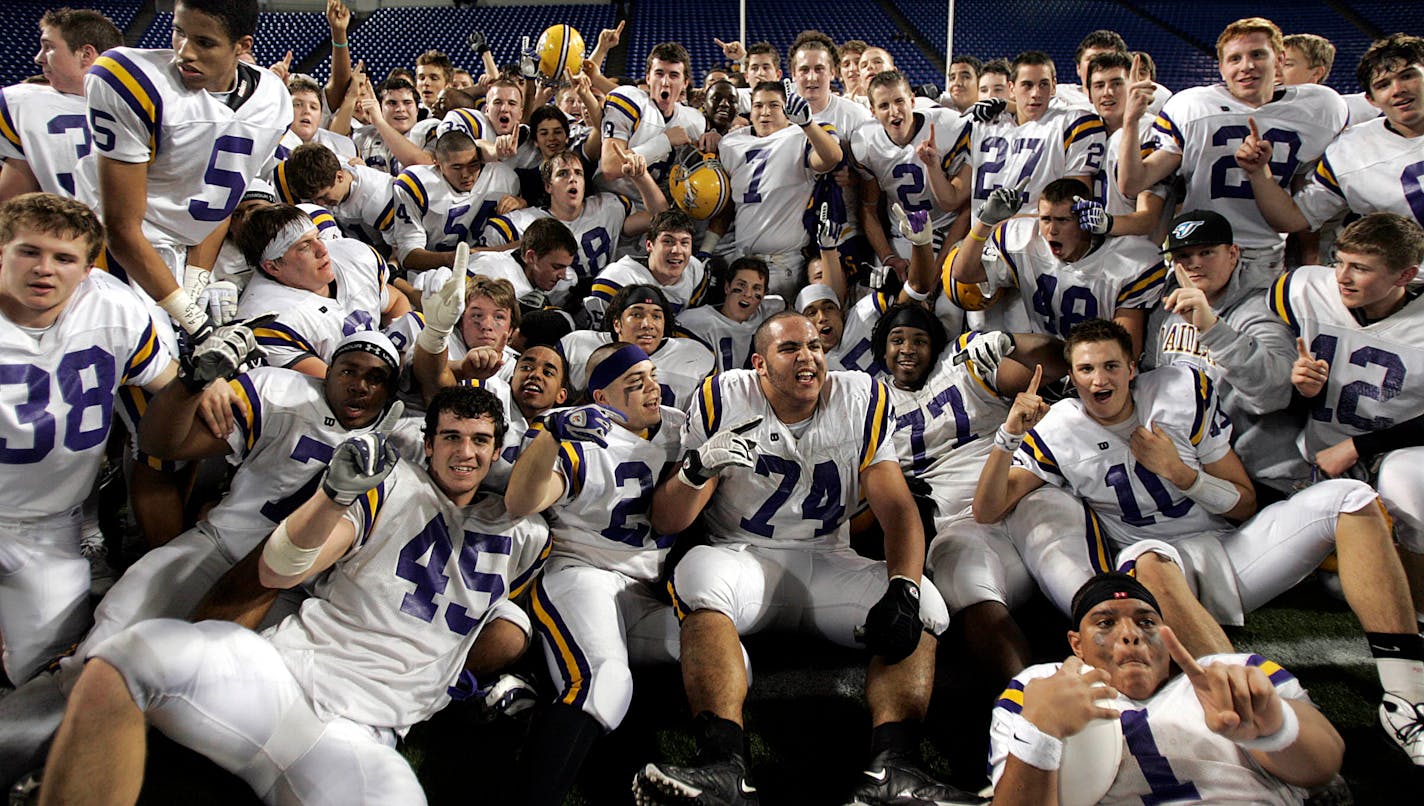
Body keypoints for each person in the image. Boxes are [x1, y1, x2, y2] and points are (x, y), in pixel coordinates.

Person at [38, 385, 552, 803]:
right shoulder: (391, 485)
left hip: (367, 732)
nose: (465, 452)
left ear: (498, 448)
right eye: (452, 437)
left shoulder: (526, 535)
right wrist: (333, 497)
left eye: (480, 440)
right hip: (284, 676)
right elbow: (281, 568)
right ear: (429, 440)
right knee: (126, 659)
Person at [975, 318, 1424, 763]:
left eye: (1111, 366)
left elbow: (1245, 503)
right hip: (1152, 568)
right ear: (1071, 378)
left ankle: (1405, 699)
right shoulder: (1057, 429)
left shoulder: (1178, 393)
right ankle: (1248, 719)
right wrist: (1008, 436)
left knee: (1351, 498)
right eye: (1087, 370)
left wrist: (1181, 474)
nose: (1099, 379)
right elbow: (988, 509)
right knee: (1146, 559)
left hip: (1227, 546)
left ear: (1132, 369)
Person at [632, 311, 980, 806]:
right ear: (760, 365)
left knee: (926, 605)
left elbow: (898, 508)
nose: (809, 358)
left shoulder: (859, 398)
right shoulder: (723, 397)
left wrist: (903, 585)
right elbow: (668, 520)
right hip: (744, 557)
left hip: (827, 558)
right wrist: (696, 467)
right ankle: (723, 763)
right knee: (697, 573)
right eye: (790, 348)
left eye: (815, 346)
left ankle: (894, 768)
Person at [0, 193, 174, 684]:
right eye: (29, 252)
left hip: (48, 526)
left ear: (88, 269)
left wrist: (215, 390)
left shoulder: (114, 306)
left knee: (48, 672)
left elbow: (168, 383)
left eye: (64, 258)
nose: (44, 269)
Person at [506, 343, 685, 806]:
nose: (652, 388)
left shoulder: (681, 428)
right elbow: (522, 503)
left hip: (644, 590)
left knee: (726, 663)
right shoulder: (584, 436)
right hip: (582, 574)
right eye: (635, 382)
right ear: (601, 398)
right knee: (604, 680)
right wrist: (549, 435)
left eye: (652, 375)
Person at [988, 573, 1344, 803]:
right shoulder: (1041, 687)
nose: (1130, 633)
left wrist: (1274, 728)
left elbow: (1324, 767)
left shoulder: (1230, 674)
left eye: (1146, 621)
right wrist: (1039, 734)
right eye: (1106, 622)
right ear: (1076, 644)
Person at [79, 0, 291, 348]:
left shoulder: (272, 100)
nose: (184, 53)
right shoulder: (133, 81)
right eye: (178, 32)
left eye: (204, 43)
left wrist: (194, 282)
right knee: (154, 375)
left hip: (185, 253)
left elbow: (219, 200)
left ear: (243, 46)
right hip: (119, 253)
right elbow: (120, 229)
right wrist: (192, 319)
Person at [1270, 213, 1424, 621]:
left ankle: (1419, 608)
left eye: (1361, 268)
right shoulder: (1305, 288)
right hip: (1320, 453)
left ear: (1405, 274)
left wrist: (1359, 446)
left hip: (1401, 452)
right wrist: (1298, 386)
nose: (1342, 276)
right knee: (1339, 587)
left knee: (1405, 479)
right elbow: (1268, 349)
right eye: (1340, 261)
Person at [1118, 17, 1348, 289]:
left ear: (1279, 60)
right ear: (1222, 68)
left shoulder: (1320, 108)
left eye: (1258, 54)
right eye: (1235, 58)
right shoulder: (1192, 106)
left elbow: (1304, 195)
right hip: (1198, 247)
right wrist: (1130, 121)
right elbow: (1133, 182)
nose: (1247, 66)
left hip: (1263, 254)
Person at [1144, 210, 1300, 491]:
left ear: (1233, 253)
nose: (1195, 265)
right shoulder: (1166, 306)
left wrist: (1214, 329)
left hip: (1260, 475)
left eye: (1206, 252)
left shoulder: (1264, 307)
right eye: (1184, 257)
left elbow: (1274, 393)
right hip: (1193, 465)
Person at [950, 177, 1166, 358]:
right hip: (1048, 357)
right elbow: (963, 273)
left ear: (1084, 222)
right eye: (1045, 219)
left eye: (1062, 220)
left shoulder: (1129, 260)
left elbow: (1127, 352)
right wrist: (985, 222)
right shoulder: (1024, 239)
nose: (1051, 230)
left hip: (1100, 364)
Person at [1240, 34, 1424, 244]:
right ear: (1371, 99)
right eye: (1383, 85)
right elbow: (1293, 218)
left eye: (1408, 76)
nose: (1398, 90)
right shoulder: (1350, 150)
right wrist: (1258, 172)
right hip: (1406, 274)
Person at [233, 203, 408, 376]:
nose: (322, 249)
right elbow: (334, 386)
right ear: (273, 267)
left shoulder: (354, 258)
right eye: (304, 246)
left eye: (317, 237)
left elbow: (396, 302)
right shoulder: (270, 318)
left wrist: (399, 348)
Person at [719, 80, 842, 297]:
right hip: (741, 259)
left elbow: (831, 158)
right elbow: (726, 203)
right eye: (758, 106)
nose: (765, 112)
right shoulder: (731, 142)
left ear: (788, 110)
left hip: (783, 263)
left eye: (774, 105)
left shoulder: (803, 134)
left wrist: (807, 124)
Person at [482, 149, 666, 283]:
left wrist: (641, 177)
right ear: (548, 186)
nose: (573, 178)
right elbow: (484, 260)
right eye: (563, 174)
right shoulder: (524, 222)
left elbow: (661, 220)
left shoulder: (609, 207)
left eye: (578, 173)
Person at [0, 8, 122, 201]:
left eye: (48, 47)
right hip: (63, 228)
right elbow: (11, 201)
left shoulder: (23, 103)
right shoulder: (23, 101)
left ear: (85, 54)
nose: (39, 58)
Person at [969, 51, 1106, 219]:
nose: (1036, 93)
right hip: (982, 239)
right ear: (1011, 88)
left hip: (1037, 238)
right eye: (1027, 85)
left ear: (1054, 86)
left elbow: (1076, 204)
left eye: (1043, 84)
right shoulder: (984, 123)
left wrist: (994, 224)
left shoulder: (1072, 123)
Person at [853, 70, 971, 264]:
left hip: (946, 230)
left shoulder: (947, 126)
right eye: (883, 105)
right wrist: (887, 257)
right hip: (902, 235)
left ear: (912, 101)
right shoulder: (865, 142)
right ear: (873, 112)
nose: (893, 111)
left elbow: (959, 203)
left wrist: (933, 165)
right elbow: (869, 207)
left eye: (899, 101)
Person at [562, 283, 714, 410]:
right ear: (617, 323)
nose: (647, 325)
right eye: (637, 315)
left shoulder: (696, 356)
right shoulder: (577, 347)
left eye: (656, 316)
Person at [390, 130, 519, 273]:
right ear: (437, 165)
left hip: (487, 267)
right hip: (430, 274)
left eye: (473, 165)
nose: (466, 174)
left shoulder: (503, 177)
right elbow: (409, 256)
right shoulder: (417, 185)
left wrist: (521, 203)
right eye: (457, 167)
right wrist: (455, 258)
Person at [1078, 52, 1171, 239]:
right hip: (1090, 255)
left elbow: (1148, 219)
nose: (1107, 92)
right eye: (1099, 85)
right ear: (1088, 93)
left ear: (1132, 87)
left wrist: (1106, 223)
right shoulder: (1085, 131)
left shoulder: (1150, 130)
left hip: (1132, 256)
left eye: (1116, 83)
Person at [598, 42, 705, 203]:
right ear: (648, 78)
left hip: (655, 206)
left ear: (685, 83)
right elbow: (610, 166)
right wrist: (665, 141)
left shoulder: (694, 120)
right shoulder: (631, 102)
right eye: (659, 73)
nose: (665, 82)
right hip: (611, 200)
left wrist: (713, 135)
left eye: (674, 75)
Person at [588, 209, 710, 327]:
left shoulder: (695, 271)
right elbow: (601, 335)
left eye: (684, 243)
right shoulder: (617, 278)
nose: (677, 250)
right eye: (668, 241)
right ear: (649, 245)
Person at [277, 141, 397, 248]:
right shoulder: (326, 167)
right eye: (313, 199)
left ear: (340, 177)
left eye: (323, 196)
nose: (319, 203)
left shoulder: (377, 195)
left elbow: (399, 247)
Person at [677, 256, 786, 372]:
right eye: (741, 285)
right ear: (727, 287)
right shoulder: (695, 322)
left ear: (764, 294)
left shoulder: (772, 312)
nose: (748, 294)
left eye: (756, 288)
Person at [1280, 33, 1378, 123]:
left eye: (1287, 64)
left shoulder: (1347, 110)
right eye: (1273, 63)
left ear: (1317, 73)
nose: (1275, 71)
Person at [274, 75, 356, 161]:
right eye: (297, 105)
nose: (307, 111)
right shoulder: (270, 145)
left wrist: (362, 171)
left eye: (313, 107)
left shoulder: (344, 146)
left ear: (320, 115)